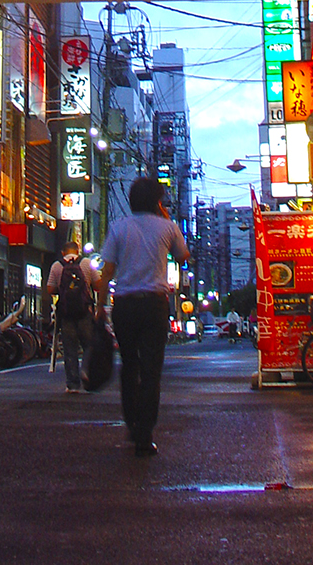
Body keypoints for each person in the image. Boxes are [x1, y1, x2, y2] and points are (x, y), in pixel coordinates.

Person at [96, 178, 189, 457]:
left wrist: (100, 306)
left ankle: (132, 422)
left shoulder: (119, 228)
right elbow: (183, 257)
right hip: (155, 305)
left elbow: (107, 271)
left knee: (129, 365)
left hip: (124, 304)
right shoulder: (168, 227)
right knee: (151, 370)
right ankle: (145, 433)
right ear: (157, 202)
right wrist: (167, 219)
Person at [46, 240, 99, 393]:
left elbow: (50, 289)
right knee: (89, 344)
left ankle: (72, 384)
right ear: (77, 251)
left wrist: (63, 290)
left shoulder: (57, 265)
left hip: (66, 312)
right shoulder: (87, 263)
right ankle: (86, 371)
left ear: (63, 252)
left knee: (70, 348)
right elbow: (97, 285)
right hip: (85, 312)